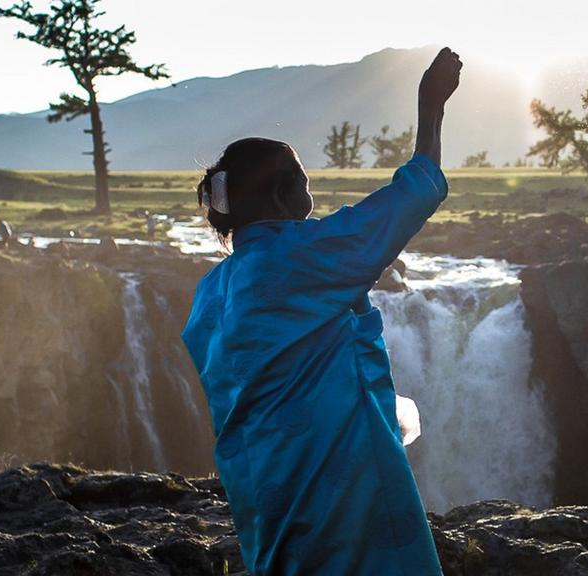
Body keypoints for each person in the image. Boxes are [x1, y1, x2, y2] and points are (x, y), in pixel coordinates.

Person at [181, 47, 461, 575]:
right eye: (304, 180)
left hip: (263, 485)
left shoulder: (210, 293)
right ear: (283, 196)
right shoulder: (299, 257)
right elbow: (412, 194)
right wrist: (431, 107)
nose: (312, 191)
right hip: (338, 475)